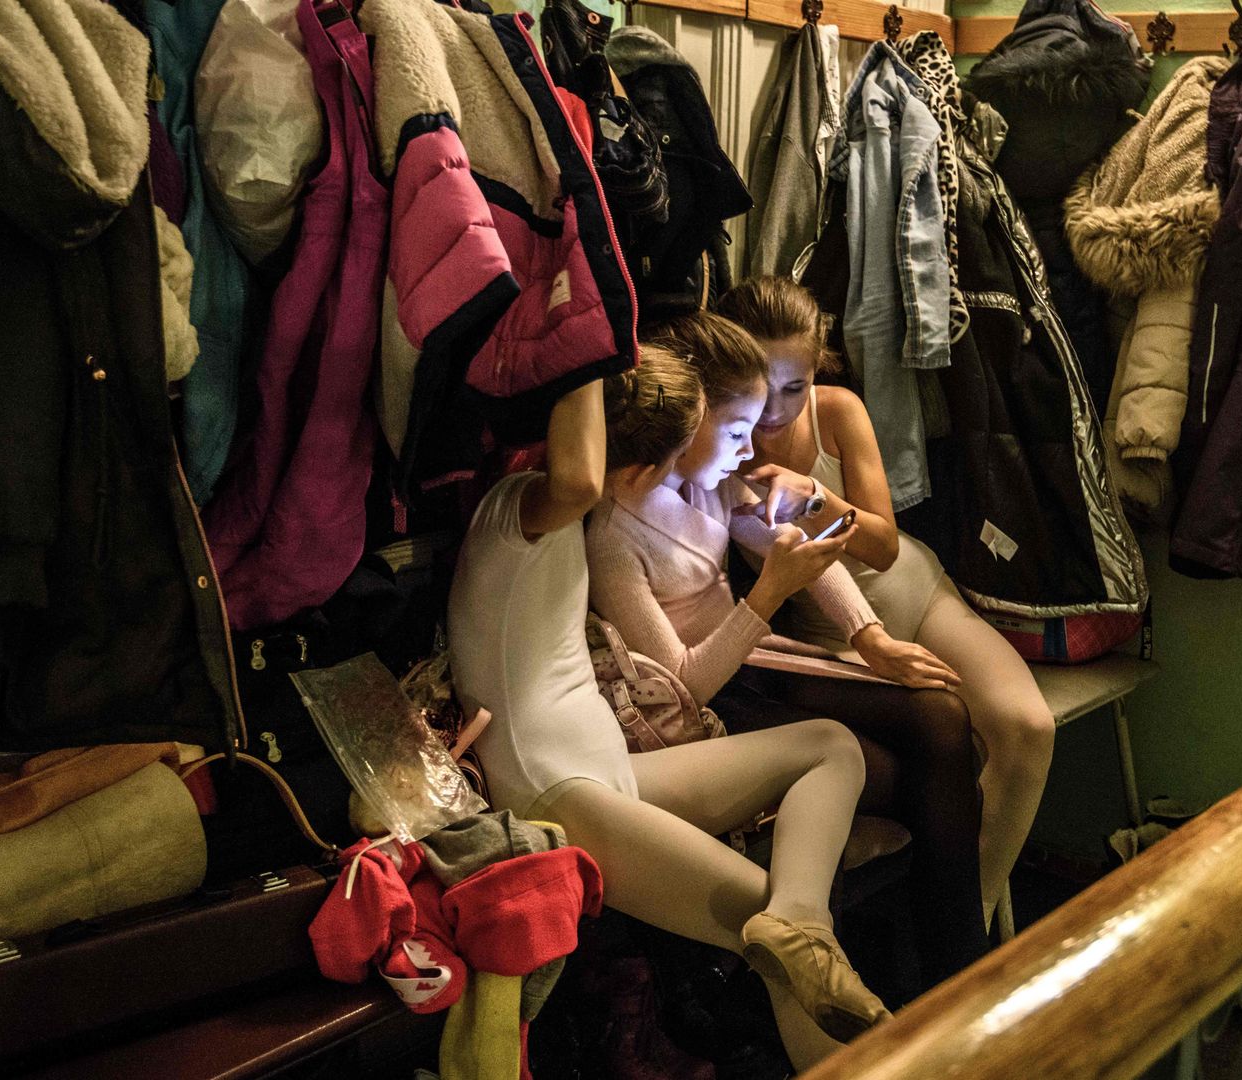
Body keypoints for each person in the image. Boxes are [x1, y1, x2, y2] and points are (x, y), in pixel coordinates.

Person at [446, 356, 889, 1066]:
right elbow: (581, 478)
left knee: (832, 746)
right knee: (791, 956)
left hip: (603, 771)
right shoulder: (526, 512)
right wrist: (579, 347)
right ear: (638, 472)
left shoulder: (566, 518)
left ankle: (797, 916)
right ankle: (801, 935)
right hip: (556, 796)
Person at [586, 312, 990, 986]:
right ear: (692, 420)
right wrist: (765, 598)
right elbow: (686, 686)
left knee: (944, 715)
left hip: (758, 662)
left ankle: (956, 968)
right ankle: (917, 972)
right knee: (902, 771)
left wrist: (873, 636)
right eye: (738, 431)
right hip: (705, 706)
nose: (749, 451)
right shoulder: (614, 535)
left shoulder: (711, 481)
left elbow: (795, 550)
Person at [719, 277, 1057, 925]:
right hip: (830, 639)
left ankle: (975, 923)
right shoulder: (719, 445)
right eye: (763, 384)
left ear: (817, 365)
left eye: (796, 384)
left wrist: (813, 498)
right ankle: (938, 937)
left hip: (918, 597)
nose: (777, 409)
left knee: (1028, 730)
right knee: (936, 740)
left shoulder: (836, 410)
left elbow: (881, 549)